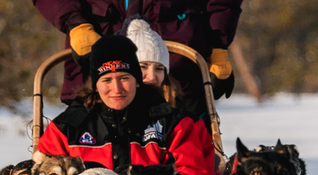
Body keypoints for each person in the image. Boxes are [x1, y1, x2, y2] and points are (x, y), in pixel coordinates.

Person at [37, 35, 214, 175]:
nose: (117, 89)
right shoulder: (67, 129)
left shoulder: (173, 123)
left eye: (124, 78)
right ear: (95, 85)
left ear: (137, 81)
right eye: (106, 80)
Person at [32, 0, 243, 124]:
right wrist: (75, 23)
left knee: (187, 159)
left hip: (177, 72)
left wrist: (219, 47)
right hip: (99, 67)